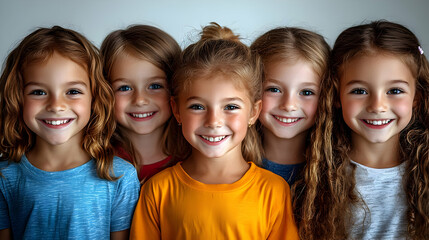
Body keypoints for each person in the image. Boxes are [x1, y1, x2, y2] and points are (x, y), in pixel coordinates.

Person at [130, 22, 299, 239]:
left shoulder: (273, 190)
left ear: (253, 112)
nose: (213, 121)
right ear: (177, 110)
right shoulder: (157, 190)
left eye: (230, 107)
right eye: (198, 107)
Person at [0, 26, 140, 240]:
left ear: (95, 97)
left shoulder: (119, 176)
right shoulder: (5, 177)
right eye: (38, 92)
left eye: (73, 92)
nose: (56, 105)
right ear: (17, 97)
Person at [295, 20, 429, 240]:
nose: (377, 106)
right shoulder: (316, 177)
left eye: (395, 90)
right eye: (359, 91)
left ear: (418, 97)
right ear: (336, 96)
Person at [101, 25, 181, 182]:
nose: (139, 100)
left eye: (155, 86)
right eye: (124, 88)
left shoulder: (195, 156)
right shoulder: (98, 160)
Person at [251, 27, 330, 185]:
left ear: (327, 97)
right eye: (274, 89)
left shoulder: (335, 173)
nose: (289, 105)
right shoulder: (230, 165)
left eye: (307, 92)